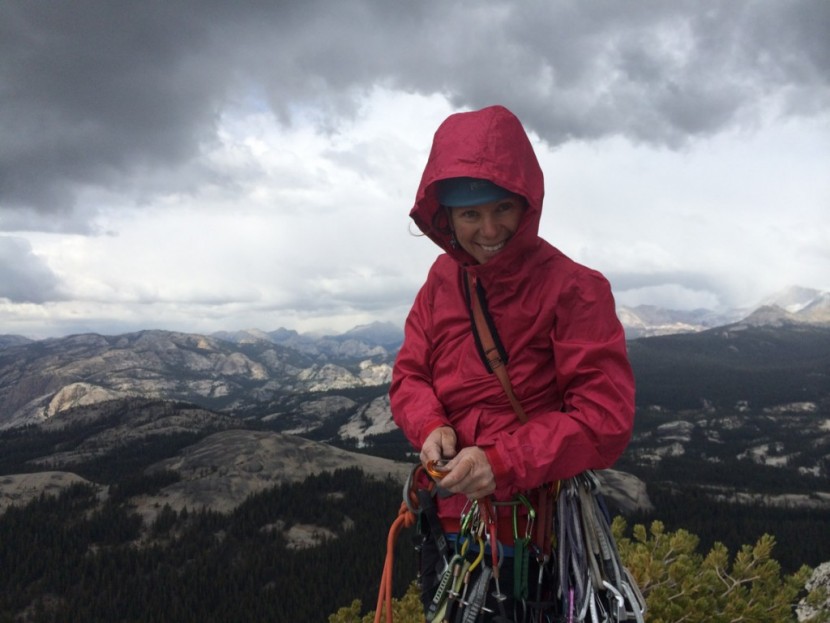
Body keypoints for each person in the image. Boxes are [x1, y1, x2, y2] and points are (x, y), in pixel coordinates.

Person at [390, 105, 635, 621]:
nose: (488, 229)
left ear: (526, 204)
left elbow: (603, 422)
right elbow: (410, 374)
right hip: (453, 524)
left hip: (537, 532)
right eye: (470, 214)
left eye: (502, 208)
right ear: (447, 218)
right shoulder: (442, 280)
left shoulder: (575, 289)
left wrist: (501, 463)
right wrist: (430, 424)